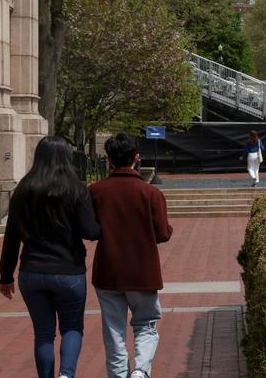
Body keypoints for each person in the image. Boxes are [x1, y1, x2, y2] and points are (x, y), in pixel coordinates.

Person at [0, 136, 101, 378]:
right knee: (72, 328)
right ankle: (66, 374)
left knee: (43, 333)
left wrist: (5, 276)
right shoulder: (76, 189)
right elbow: (90, 231)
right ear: (66, 157)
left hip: (31, 271)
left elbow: (11, 237)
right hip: (69, 270)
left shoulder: (23, 190)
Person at [90, 133, 173, 378]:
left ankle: (118, 375)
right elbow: (163, 234)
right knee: (145, 324)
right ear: (137, 158)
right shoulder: (151, 193)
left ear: (109, 160)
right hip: (142, 270)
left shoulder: (96, 191)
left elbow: (91, 230)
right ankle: (140, 370)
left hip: (108, 270)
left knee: (113, 330)